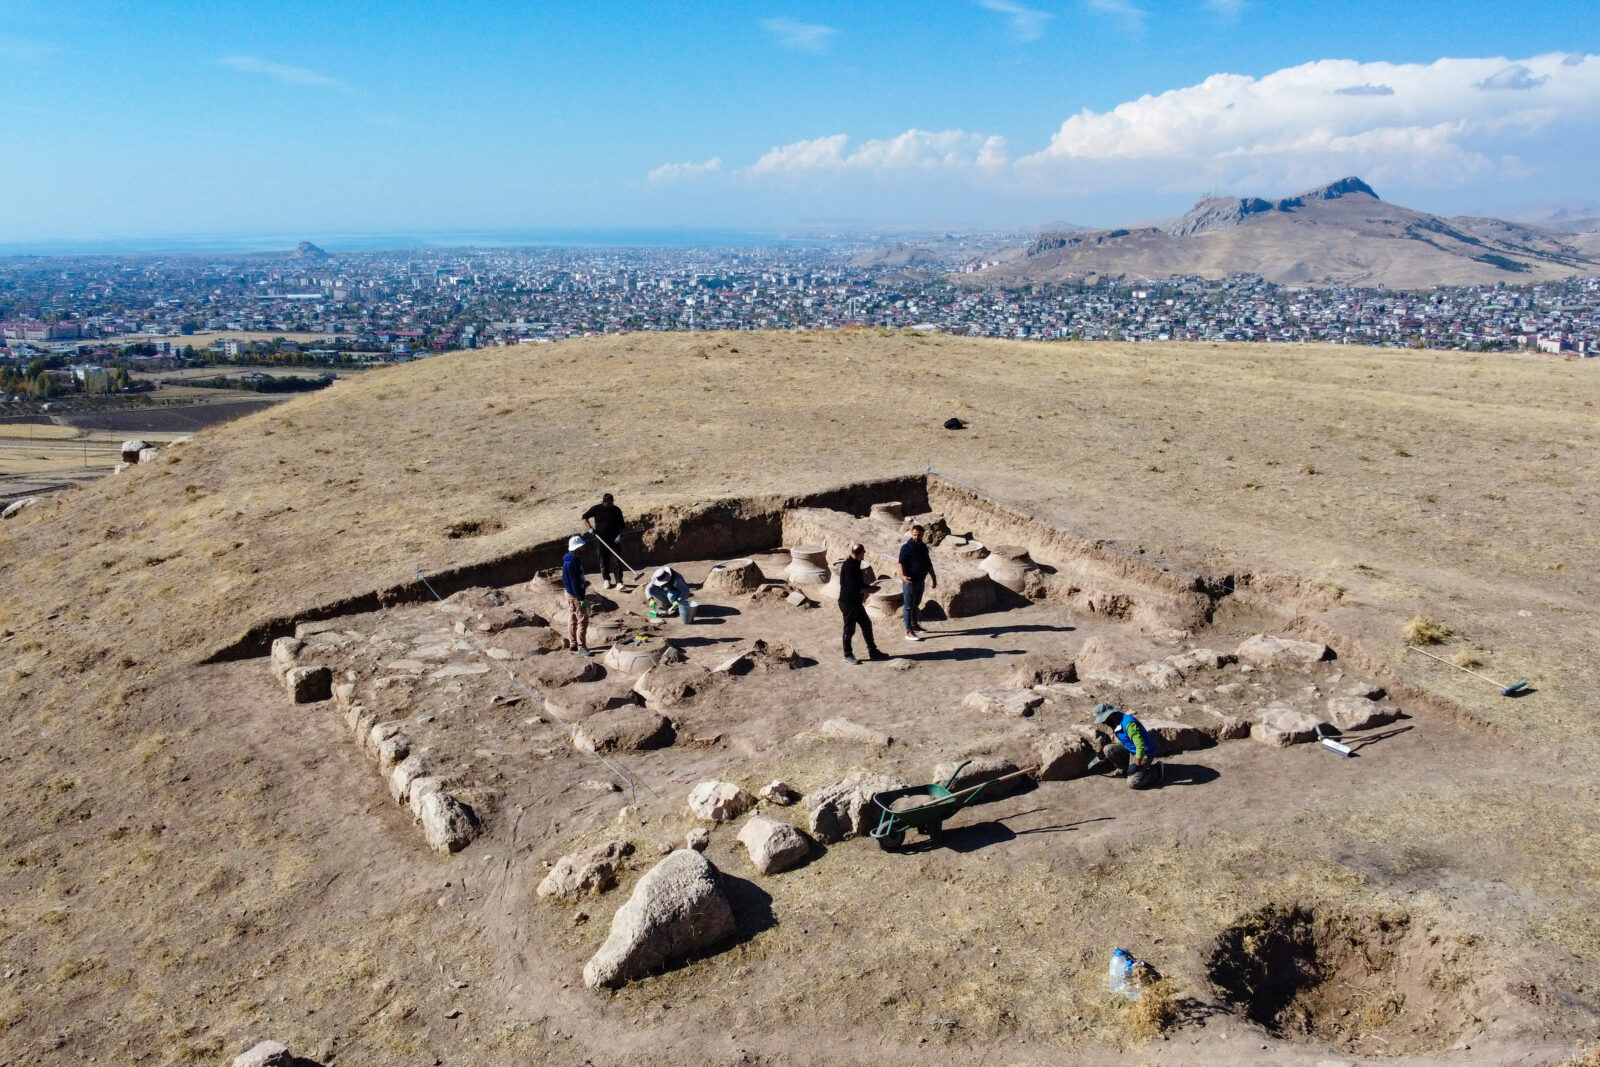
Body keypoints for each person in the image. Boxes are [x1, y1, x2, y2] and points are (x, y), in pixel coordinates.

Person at [1092, 703, 1162, 789]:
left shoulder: (1129, 724)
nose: (1103, 722)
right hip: (1131, 750)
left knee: (1133, 783)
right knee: (1108, 749)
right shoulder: (1115, 721)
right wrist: (1107, 758)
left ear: (1111, 714)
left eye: (1104, 719)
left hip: (1144, 753)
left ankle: (1157, 770)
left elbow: (1140, 746)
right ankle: (1125, 769)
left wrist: (1137, 764)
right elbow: (1123, 740)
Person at [838, 542, 886, 665]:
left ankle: (873, 651)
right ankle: (847, 654)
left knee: (866, 624)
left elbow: (858, 585)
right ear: (859, 554)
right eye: (863, 552)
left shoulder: (855, 564)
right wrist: (870, 590)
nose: (864, 554)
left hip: (855, 603)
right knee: (849, 629)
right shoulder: (849, 567)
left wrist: (869, 587)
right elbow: (852, 588)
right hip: (848, 603)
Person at [898, 524, 938, 642]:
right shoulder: (906, 548)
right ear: (912, 534)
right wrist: (903, 576)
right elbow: (901, 563)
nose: (917, 537)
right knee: (908, 606)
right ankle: (909, 630)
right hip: (910, 581)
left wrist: (934, 577)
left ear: (922, 535)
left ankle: (914, 624)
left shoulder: (924, 548)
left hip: (920, 580)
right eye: (915, 535)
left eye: (919, 535)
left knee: (916, 603)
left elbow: (928, 563)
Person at [582, 493, 626, 589]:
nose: (610, 505)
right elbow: (585, 517)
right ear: (604, 502)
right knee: (603, 560)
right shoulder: (597, 509)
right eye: (608, 503)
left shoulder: (617, 510)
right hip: (601, 540)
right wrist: (590, 528)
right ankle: (606, 580)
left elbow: (622, 526)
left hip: (614, 540)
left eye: (612, 503)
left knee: (617, 560)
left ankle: (619, 582)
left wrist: (619, 535)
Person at [561, 535, 591, 655]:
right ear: (576, 548)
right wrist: (581, 597)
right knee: (582, 620)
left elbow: (569, 579)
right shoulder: (572, 563)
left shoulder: (570, 560)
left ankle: (573, 644)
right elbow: (574, 582)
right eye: (581, 547)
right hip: (575, 595)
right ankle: (581, 647)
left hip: (570, 593)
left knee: (572, 618)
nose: (583, 548)